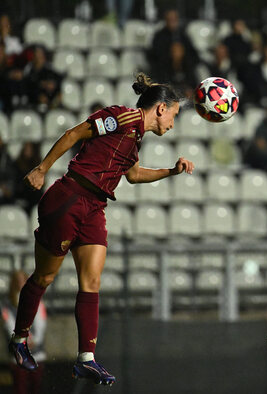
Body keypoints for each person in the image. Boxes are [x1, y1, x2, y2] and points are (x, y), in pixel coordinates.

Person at [7, 73, 194, 386]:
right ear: (161, 109)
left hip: (94, 207)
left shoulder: (135, 138)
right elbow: (75, 133)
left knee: (92, 280)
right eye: (174, 115)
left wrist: (170, 172)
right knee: (45, 277)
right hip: (69, 198)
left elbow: (133, 175)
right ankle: (19, 338)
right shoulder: (122, 117)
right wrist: (42, 169)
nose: (173, 124)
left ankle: (86, 360)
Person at [2, 271, 47, 394]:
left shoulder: (37, 302)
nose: (20, 284)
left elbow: (40, 324)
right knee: (20, 388)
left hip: (36, 354)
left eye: (22, 280)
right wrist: (23, 341)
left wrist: (34, 340)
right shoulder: (7, 305)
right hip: (17, 356)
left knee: (36, 387)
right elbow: (10, 325)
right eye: (17, 281)